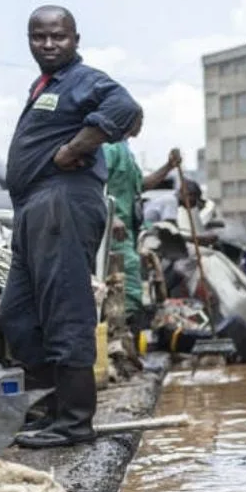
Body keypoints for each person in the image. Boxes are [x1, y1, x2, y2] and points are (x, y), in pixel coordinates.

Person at [3, 5, 141, 449]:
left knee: (65, 312)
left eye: (58, 37)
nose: (48, 44)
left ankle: (74, 423)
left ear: (75, 40)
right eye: (39, 37)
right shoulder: (46, 85)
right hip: (33, 210)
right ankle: (47, 410)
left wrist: (74, 148)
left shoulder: (83, 79)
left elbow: (126, 108)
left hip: (62, 202)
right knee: (18, 316)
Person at [102, 115, 179, 332]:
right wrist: (111, 215)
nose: (141, 124)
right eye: (139, 119)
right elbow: (95, 182)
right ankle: (123, 339)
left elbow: (141, 186)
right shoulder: (110, 149)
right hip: (113, 234)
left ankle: (128, 342)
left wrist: (168, 166)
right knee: (129, 291)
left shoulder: (126, 152)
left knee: (130, 288)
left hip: (128, 233)